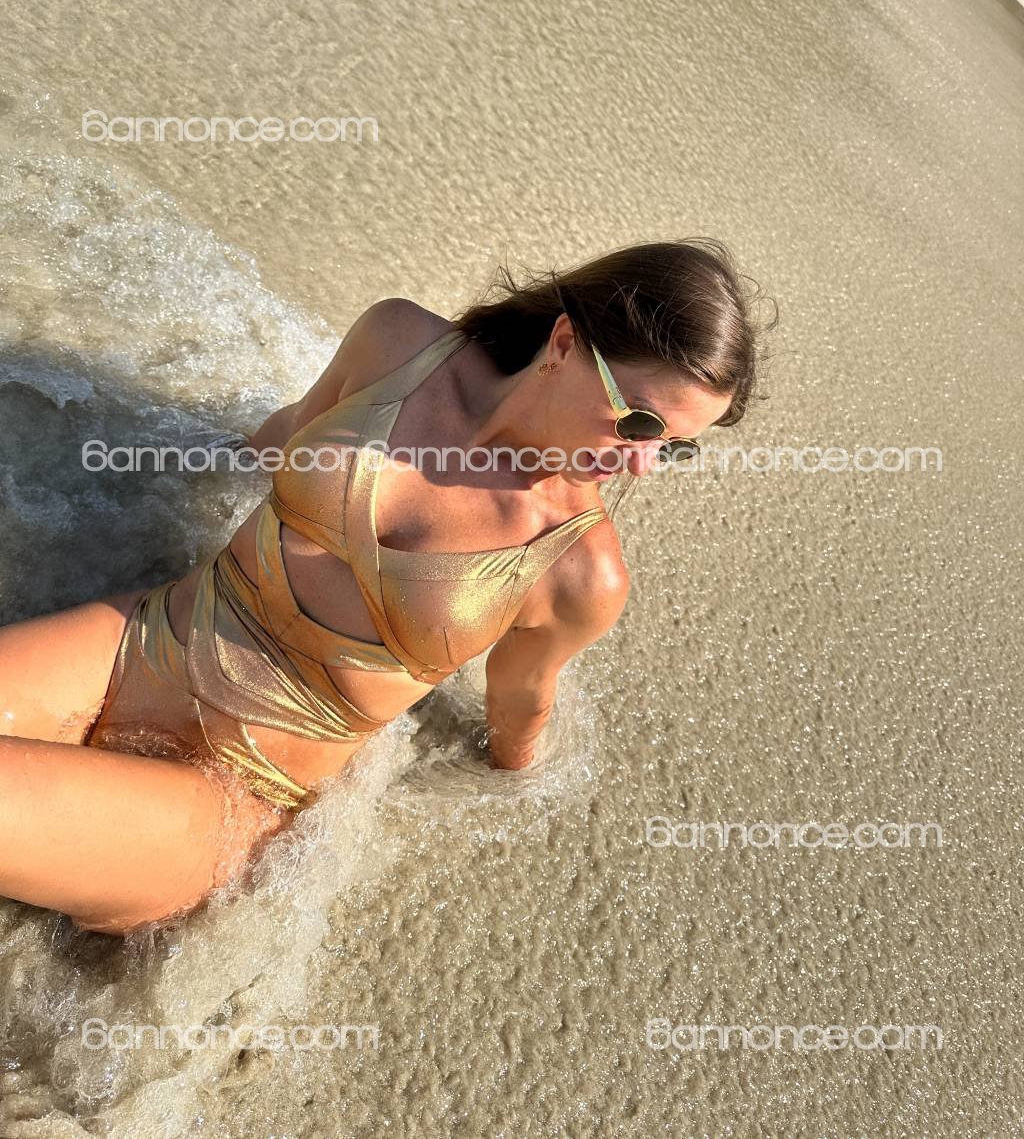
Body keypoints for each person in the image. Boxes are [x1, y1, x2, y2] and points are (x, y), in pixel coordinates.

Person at [0, 239, 769, 935]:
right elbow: (278, 438)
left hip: (230, 790)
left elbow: (522, 703)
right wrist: (131, 466)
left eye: (674, 449)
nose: (641, 464)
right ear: (565, 343)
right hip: (139, 643)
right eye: (640, 424)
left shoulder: (579, 572)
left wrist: (513, 780)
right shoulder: (397, 344)